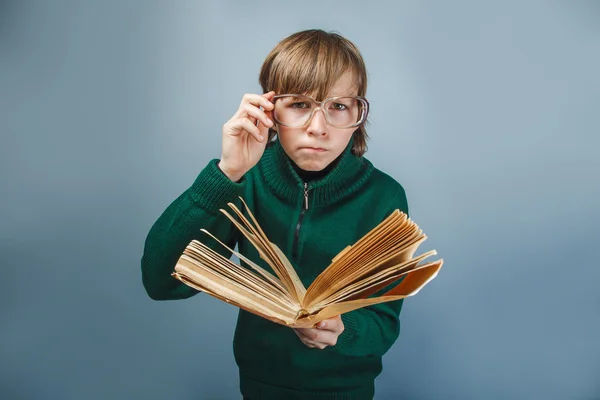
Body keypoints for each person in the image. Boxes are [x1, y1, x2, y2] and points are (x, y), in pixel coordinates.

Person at [141, 29, 410, 400]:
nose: (319, 128)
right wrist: (226, 173)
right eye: (299, 104)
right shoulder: (245, 181)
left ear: (357, 114)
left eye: (338, 106)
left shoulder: (384, 196)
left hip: (346, 391)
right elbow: (161, 281)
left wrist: (342, 328)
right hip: (258, 388)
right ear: (269, 110)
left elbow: (384, 323)